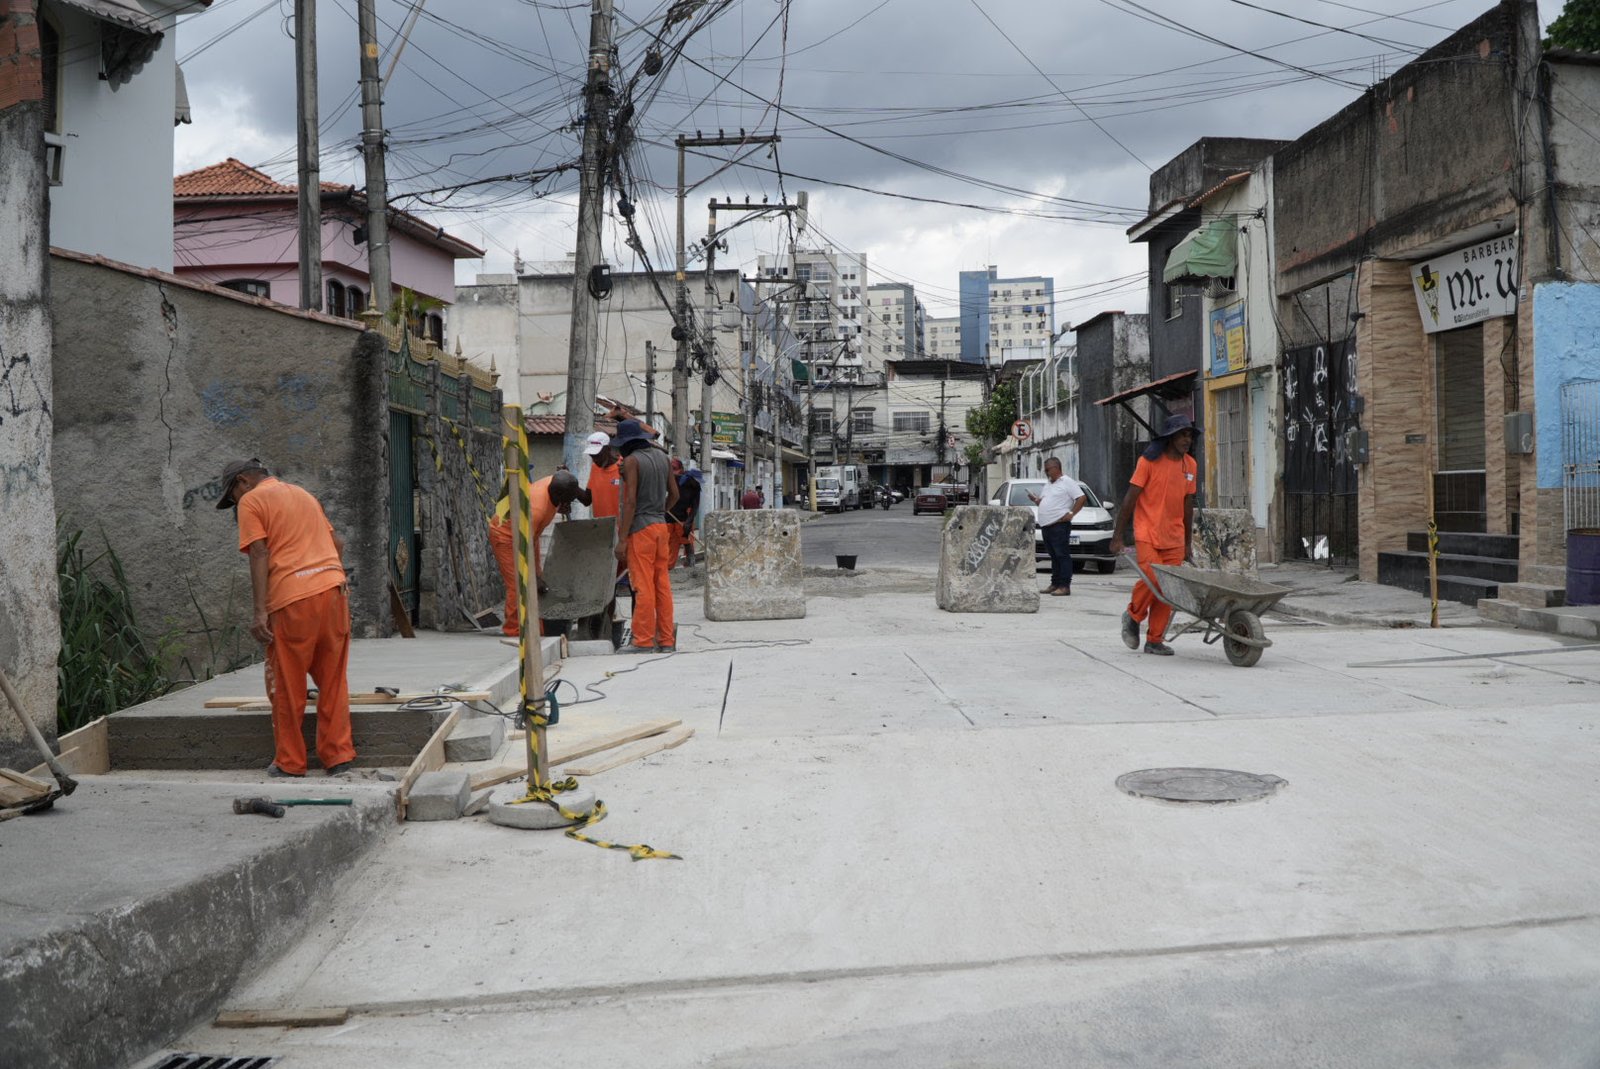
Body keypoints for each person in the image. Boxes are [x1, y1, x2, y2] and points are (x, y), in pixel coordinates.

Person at [218, 458, 355, 778]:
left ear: (242, 482)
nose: (236, 504)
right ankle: (339, 757)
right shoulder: (303, 494)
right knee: (333, 681)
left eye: (232, 497)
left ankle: (291, 762)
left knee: (286, 684)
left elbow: (260, 553)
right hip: (335, 593)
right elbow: (337, 544)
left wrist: (259, 612)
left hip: (293, 602)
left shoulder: (252, 500)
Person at [1110, 414, 1200, 656]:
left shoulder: (1190, 465)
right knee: (1153, 577)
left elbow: (1187, 504)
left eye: (1189, 435)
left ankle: (1155, 639)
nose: (1187, 439)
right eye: (1182, 434)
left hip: (1174, 536)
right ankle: (1133, 615)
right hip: (1147, 531)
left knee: (1168, 589)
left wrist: (1188, 543)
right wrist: (1118, 535)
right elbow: (1130, 499)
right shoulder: (1148, 462)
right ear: (1170, 438)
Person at [489, 469, 582, 636]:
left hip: (530, 535)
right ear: (559, 496)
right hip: (507, 537)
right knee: (519, 583)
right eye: (569, 500)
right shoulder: (536, 509)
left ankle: (535, 626)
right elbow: (524, 547)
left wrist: (537, 575)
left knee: (535, 579)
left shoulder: (555, 483)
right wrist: (534, 576)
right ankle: (514, 630)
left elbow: (530, 540)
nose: (570, 504)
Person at [612, 419, 679, 652]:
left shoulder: (631, 461)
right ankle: (666, 640)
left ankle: (642, 641)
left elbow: (630, 502)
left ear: (626, 444)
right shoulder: (663, 458)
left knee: (643, 586)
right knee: (662, 585)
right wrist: (660, 511)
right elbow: (675, 495)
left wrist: (622, 539)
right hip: (661, 528)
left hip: (641, 530)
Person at [1028, 457, 1087, 596]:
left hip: (1059, 525)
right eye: (1045, 470)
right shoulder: (1049, 484)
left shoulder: (1066, 481)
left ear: (1056, 468)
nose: (1046, 472)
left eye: (1048, 469)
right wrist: (1037, 501)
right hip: (1047, 525)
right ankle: (1055, 583)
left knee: (1062, 555)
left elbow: (1081, 498)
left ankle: (1064, 586)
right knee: (1054, 556)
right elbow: (1045, 502)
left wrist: (1072, 513)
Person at [667, 458, 702, 568]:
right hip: (667, 519)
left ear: (681, 470)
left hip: (683, 520)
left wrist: (689, 520)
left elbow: (695, 506)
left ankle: (690, 567)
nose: (672, 472)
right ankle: (668, 569)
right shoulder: (665, 481)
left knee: (687, 543)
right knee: (668, 547)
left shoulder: (692, 484)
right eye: (670, 469)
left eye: (674, 469)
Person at [580, 430, 621, 520]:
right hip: (602, 527)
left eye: (598, 455)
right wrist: (570, 483)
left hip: (623, 529)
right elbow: (587, 500)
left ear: (608, 448)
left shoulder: (624, 467)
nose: (595, 460)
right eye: (592, 456)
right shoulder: (595, 468)